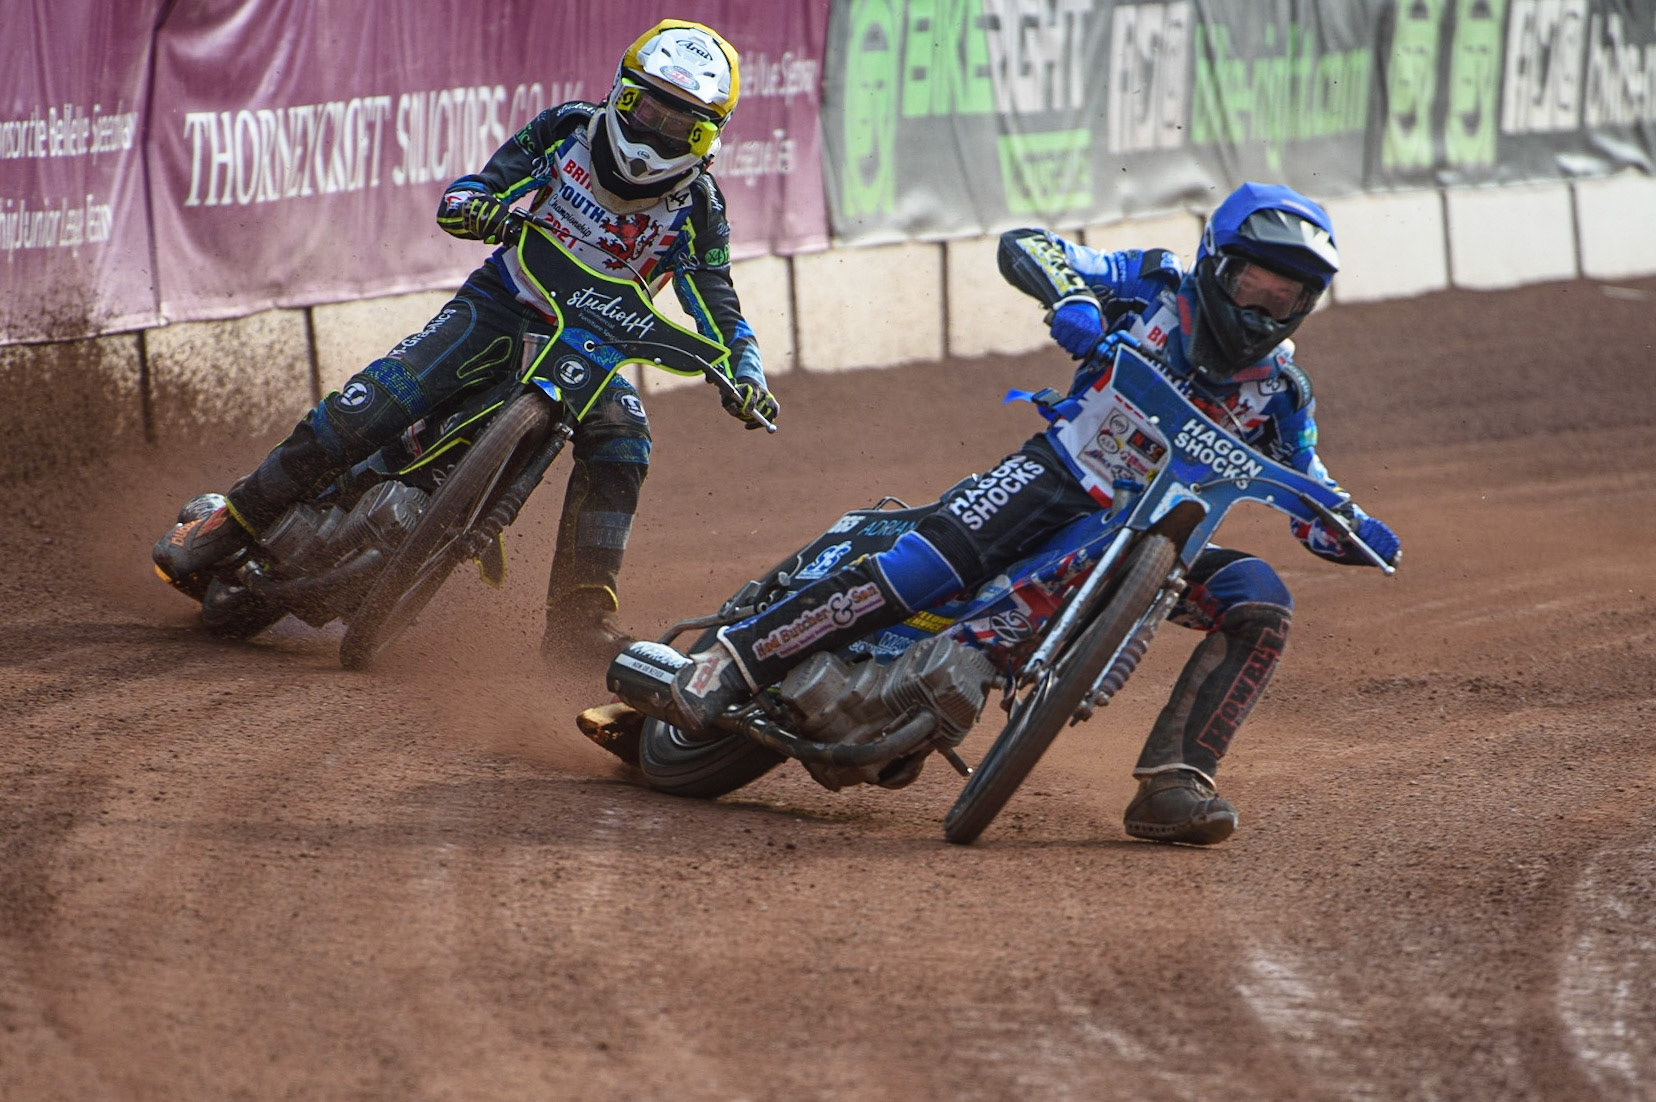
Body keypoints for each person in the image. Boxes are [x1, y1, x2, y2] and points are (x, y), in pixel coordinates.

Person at [643, 182, 1400, 845]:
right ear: (1217, 264)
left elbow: (1308, 485)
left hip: (1162, 539)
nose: (1264, 310)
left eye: (1285, 299)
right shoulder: (1155, 285)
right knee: (926, 567)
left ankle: (1175, 783)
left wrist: (1351, 526)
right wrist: (1072, 298)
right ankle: (734, 658)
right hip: (1061, 474)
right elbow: (1032, 245)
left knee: (1261, 601)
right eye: (1254, 286)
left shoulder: (1282, 394)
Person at [153, 20, 779, 660]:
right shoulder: (568, 128)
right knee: (368, 407)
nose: (656, 133)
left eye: (680, 126)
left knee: (626, 438)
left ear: (707, 137)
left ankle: (579, 622)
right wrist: (477, 206)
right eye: (648, 110)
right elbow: (475, 188)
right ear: (621, 95)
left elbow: (717, 301)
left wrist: (746, 371)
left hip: (593, 346)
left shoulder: (700, 207)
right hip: (502, 304)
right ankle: (234, 520)